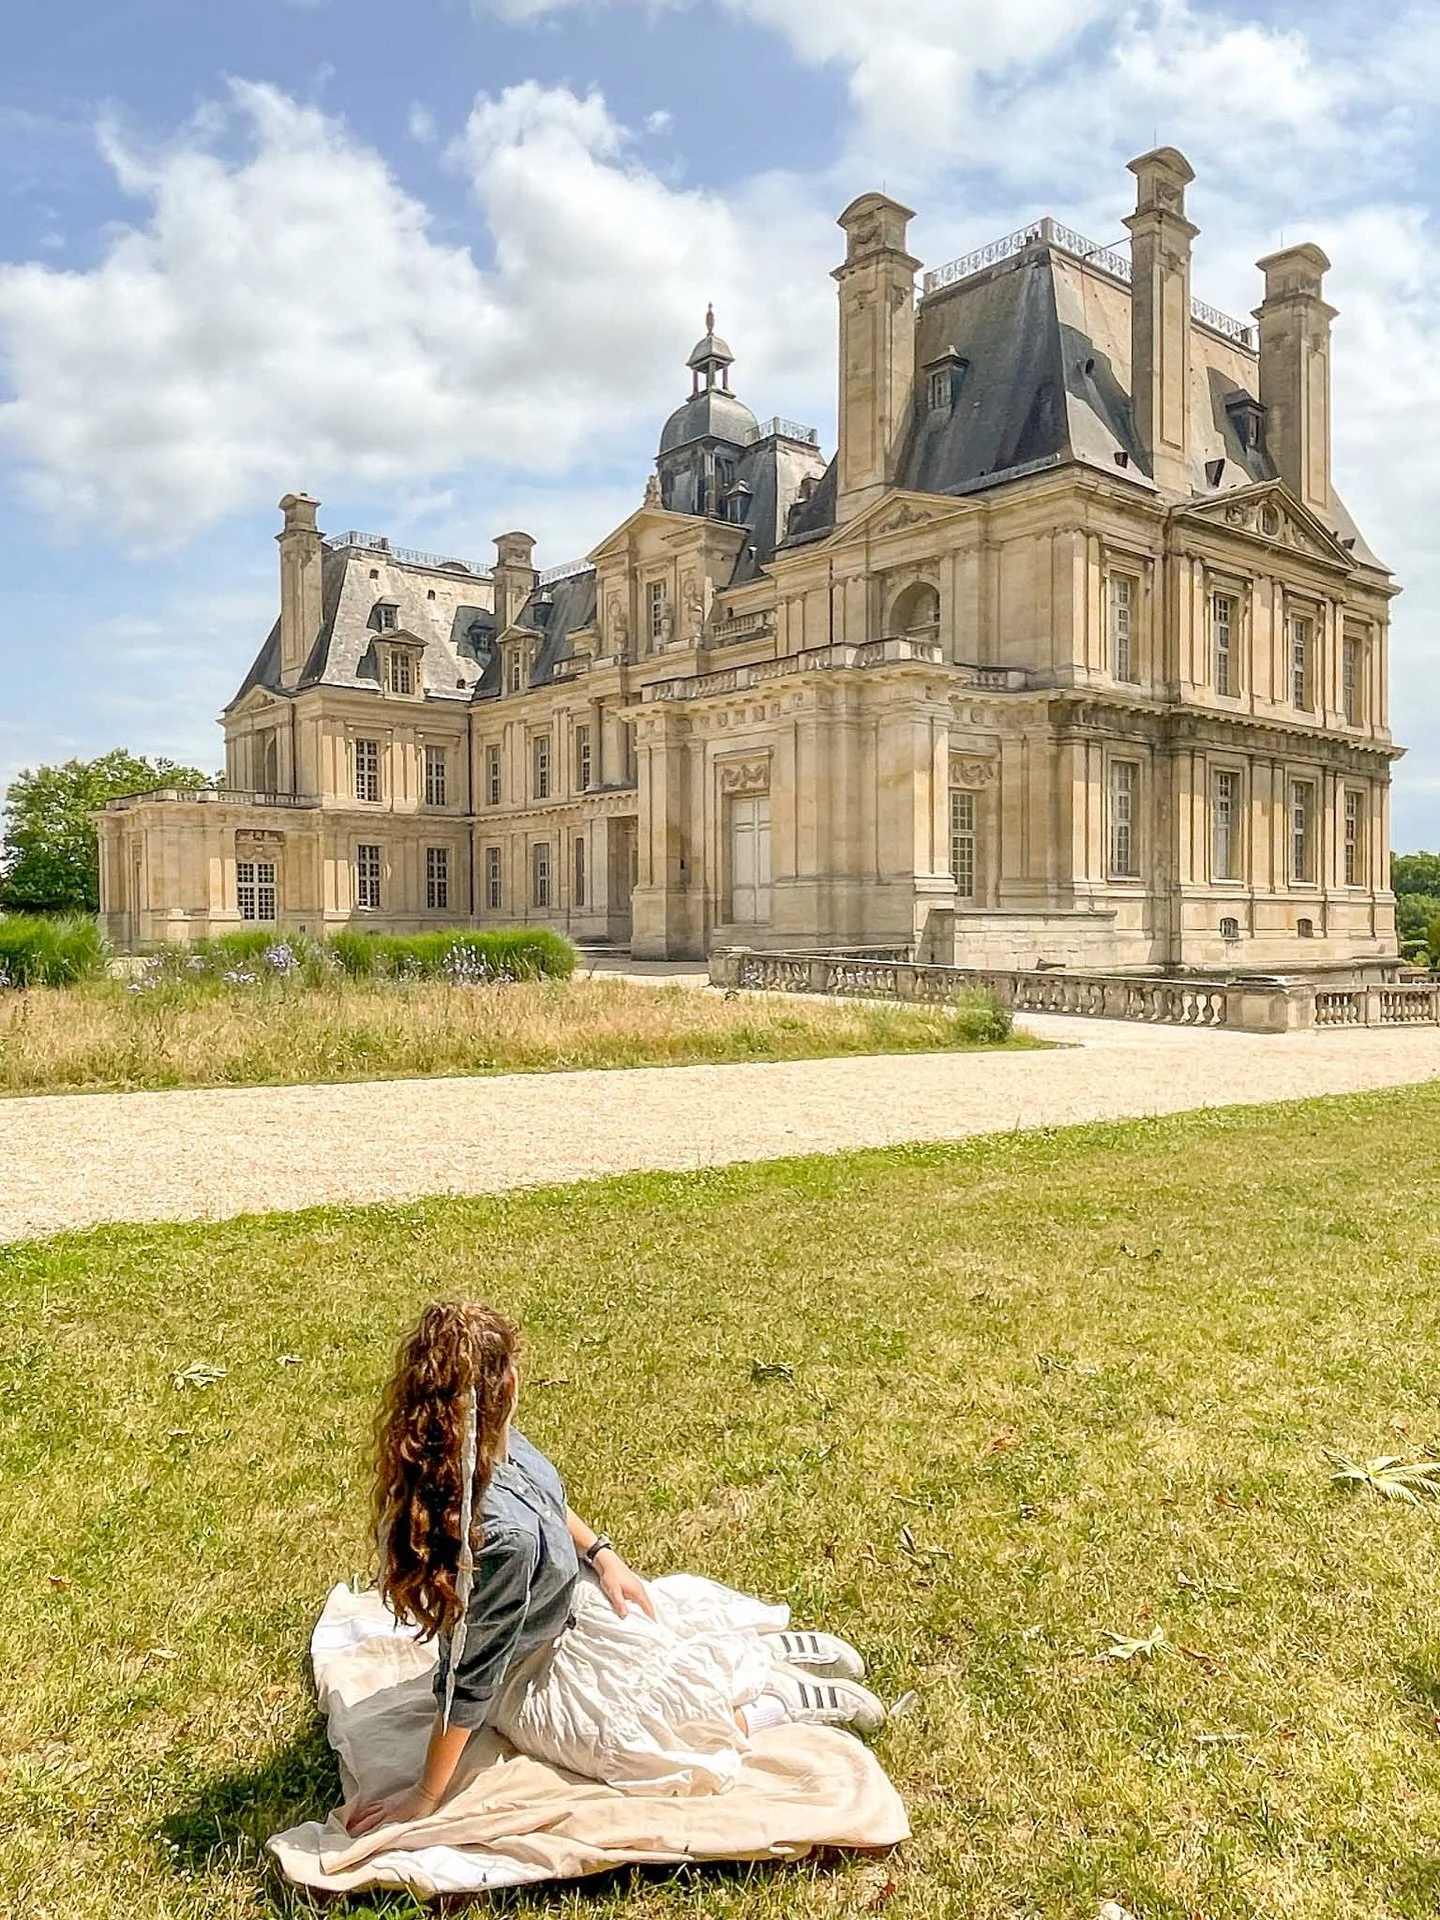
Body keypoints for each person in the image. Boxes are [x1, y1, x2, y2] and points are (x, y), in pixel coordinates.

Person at [345, 1300, 886, 1836]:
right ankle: (784, 1704)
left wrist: (603, 1556)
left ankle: (770, 1653)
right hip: (528, 1669)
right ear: (505, 1387)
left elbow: (548, 1502)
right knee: (649, 1748)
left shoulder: (480, 1437)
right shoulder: (497, 1538)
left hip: (574, 1603)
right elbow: (472, 1675)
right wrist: (426, 1793)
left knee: (676, 1630)